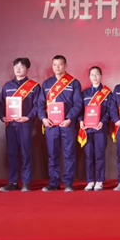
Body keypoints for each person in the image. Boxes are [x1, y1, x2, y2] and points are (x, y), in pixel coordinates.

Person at [37, 55, 83, 192]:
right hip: (51, 125)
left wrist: (69, 118)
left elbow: (78, 104)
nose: (57, 67)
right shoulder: (47, 84)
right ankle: (54, 182)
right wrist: (43, 118)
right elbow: (40, 103)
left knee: (69, 153)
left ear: (65, 65)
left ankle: (68, 182)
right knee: (52, 154)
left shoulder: (73, 83)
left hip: (67, 124)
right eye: (55, 64)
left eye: (60, 64)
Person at [0, 57, 40, 192]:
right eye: (16, 66)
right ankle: (13, 182)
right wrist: (2, 116)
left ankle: (26, 182)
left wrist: (28, 117)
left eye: (21, 66)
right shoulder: (7, 86)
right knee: (11, 153)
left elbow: (37, 106)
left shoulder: (34, 86)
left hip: (25, 124)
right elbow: (1, 104)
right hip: (10, 125)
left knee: (26, 152)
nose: (18, 68)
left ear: (27, 69)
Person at [78, 66, 111, 191]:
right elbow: (79, 109)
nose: (95, 77)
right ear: (89, 77)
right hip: (87, 129)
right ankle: (90, 180)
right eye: (92, 74)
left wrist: (103, 121)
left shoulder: (107, 93)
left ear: (101, 76)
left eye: (97, 74)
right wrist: (81, 121)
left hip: (100, 128)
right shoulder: (85, 93)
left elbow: (110, 110)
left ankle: (100, 181)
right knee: (88, 156)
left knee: (99, 155)